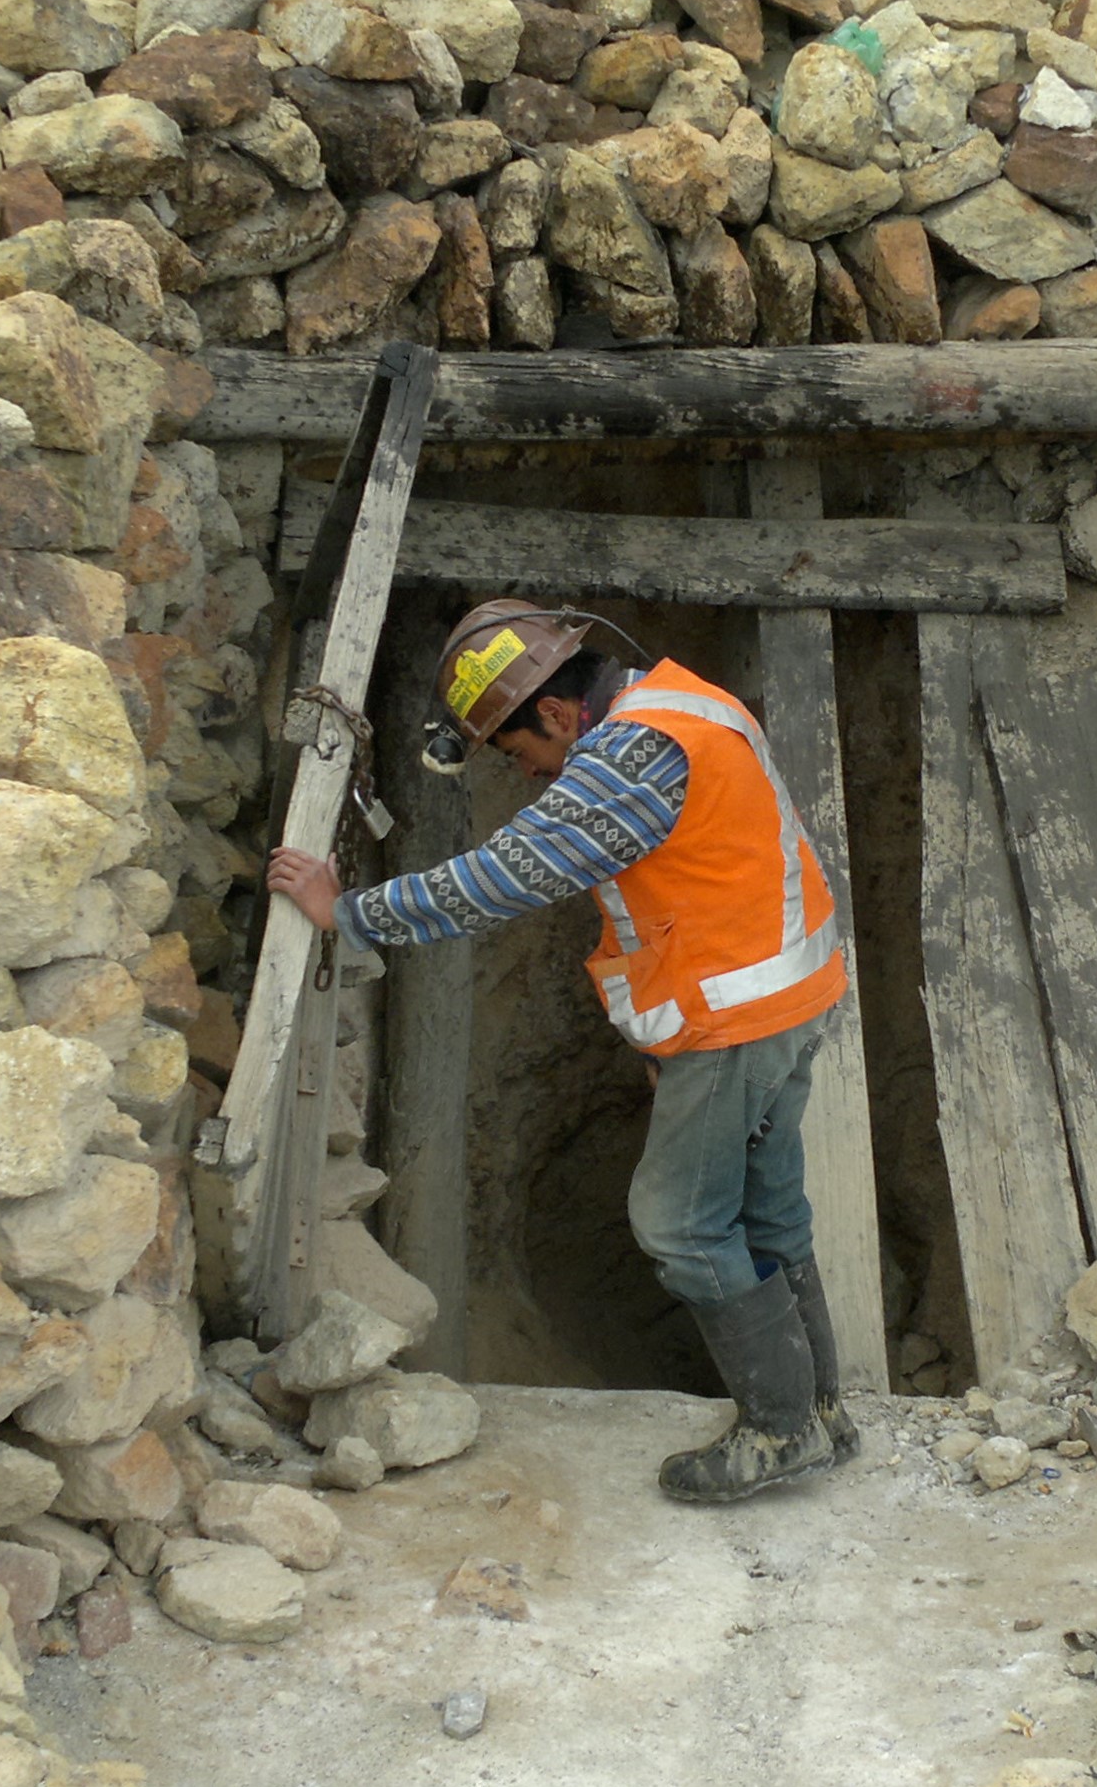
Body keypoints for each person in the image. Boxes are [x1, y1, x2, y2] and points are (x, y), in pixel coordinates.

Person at [263, 601, 856, 1503]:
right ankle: (820, 1413)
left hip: (733, 1021)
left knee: (682, 1224)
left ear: (553, 712)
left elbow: (506, 874)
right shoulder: (684, 702)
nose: (532, 774)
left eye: (516, 752)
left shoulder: (628, 754)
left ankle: (781, 1430)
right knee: (768, 1206)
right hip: (775, 1001)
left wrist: (346, 911)